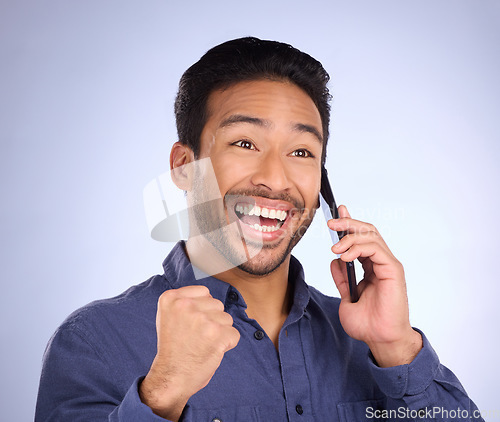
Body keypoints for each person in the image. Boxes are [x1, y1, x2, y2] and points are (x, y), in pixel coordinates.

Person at [35, 37, 483, 422]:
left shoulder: (368, 339)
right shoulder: (94, 343)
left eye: (302, 152)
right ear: (185, 165)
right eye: (245, 143)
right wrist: (162, 395)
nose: (276, 178)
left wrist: (398, 346)